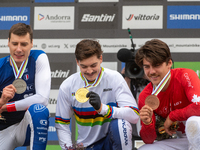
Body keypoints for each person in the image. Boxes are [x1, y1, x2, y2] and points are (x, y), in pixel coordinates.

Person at [55, 39, 139, 150]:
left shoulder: (114, 78)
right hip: (87, 146)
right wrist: (68, 148)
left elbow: (134, 115)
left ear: (101, 59)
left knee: (120, 124)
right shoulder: (68, 85)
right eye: (84, 67)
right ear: (77, 62)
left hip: (111, 142)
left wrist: (103, 109)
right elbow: (62, 124)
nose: (89, 71)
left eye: (93, 65)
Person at [135, 39, 200, 150]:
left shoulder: (185, 75)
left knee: (193, 122)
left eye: (157, 65)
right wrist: (147, 123)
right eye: (147, 66)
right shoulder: (145, 95)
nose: (151, 72)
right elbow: (148, 140)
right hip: (181, 140)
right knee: (145, 149)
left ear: (169, 63)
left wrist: (173, 116)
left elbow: (198, 106)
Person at [0, 23, 51, 150]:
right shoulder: (0, 66)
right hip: (3, 130)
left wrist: (4, 106)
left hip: (26, 127)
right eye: (14, 43)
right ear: (8, 42)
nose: (18, 49)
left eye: (24, 44)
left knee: (39, 110)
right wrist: (1, 100)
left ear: (32, 43)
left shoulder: (39, 57)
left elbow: (43, 99)